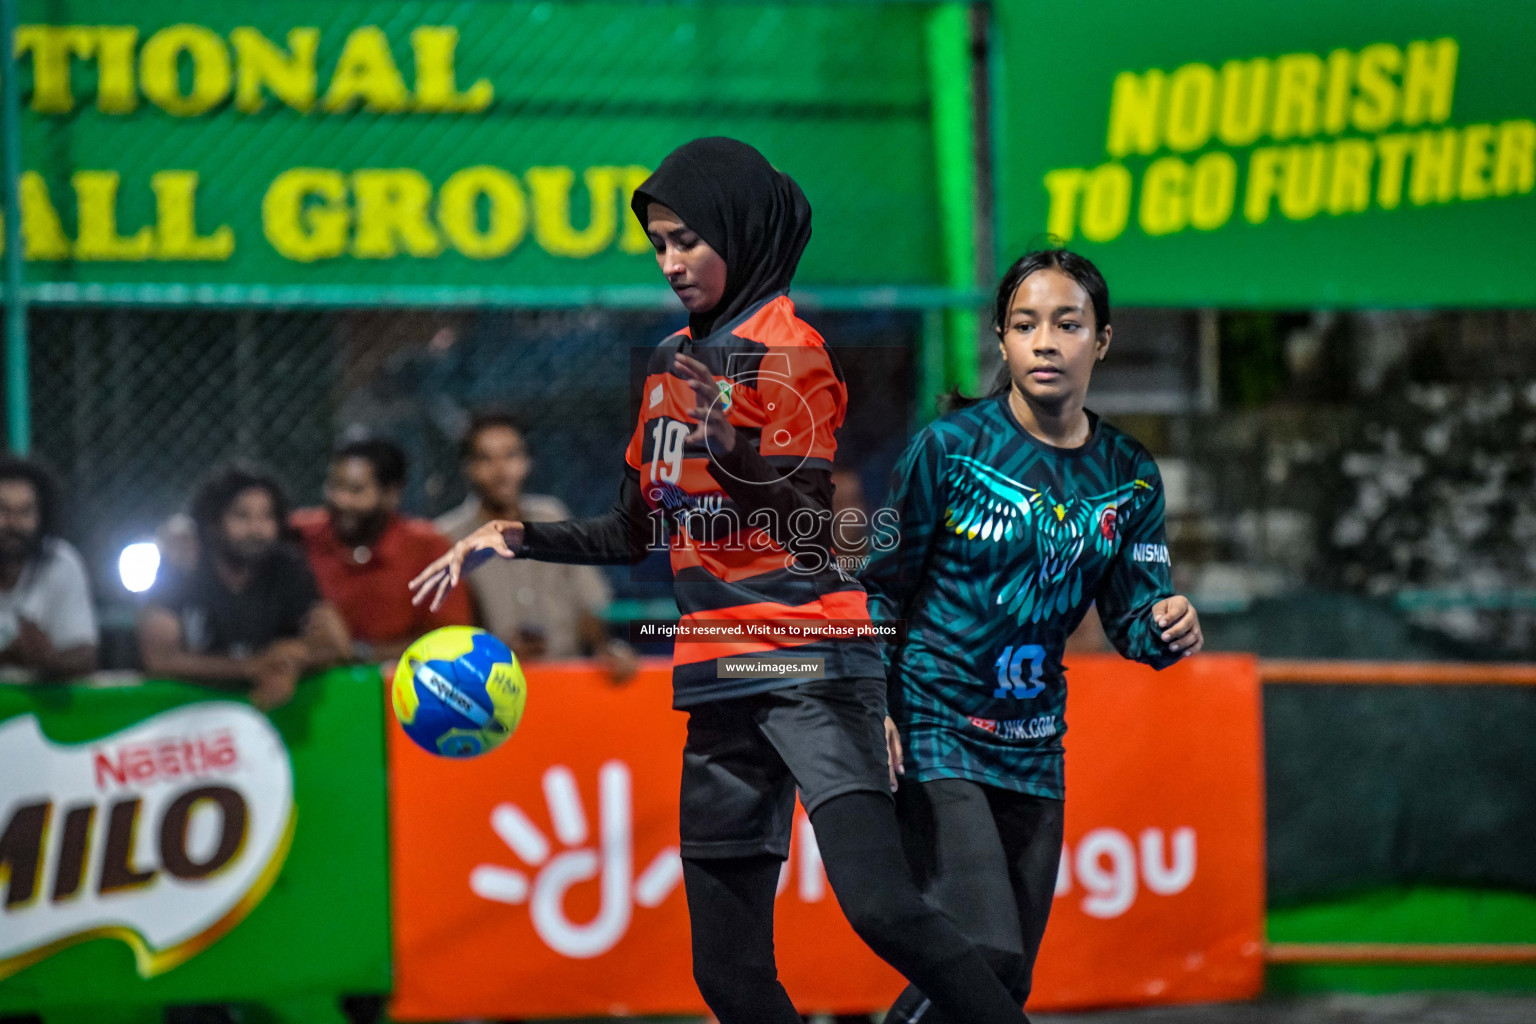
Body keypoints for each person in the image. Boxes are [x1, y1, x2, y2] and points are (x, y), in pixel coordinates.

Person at [411, 137, 1032, 1024]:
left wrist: (735, 446)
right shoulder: (670, 363)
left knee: (884, 911)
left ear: (739, 233)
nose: (671, 262)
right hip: (718, 672)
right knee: (728, 973)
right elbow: (635, 529)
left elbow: (805, 515)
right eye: (659, 243)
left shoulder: (792, 348)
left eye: (688, 240)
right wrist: (509, 536)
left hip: (812, 665)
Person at [860, 249, 1204, 1023]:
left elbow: (1133, 619)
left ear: (1102, 341)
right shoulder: (948, 450)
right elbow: (879, 586)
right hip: (936, 728)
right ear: (1003, 342)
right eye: (1025, 324)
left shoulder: (1130, 474)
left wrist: (1166, 624)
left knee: (1001, 984)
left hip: (1035, 745)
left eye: (1067, 323)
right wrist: (870, 702)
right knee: (983, 952)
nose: (1045, 341)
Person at [435, 412, 636, 679]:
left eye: (511, 455)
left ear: (527, 461)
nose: (501, 470)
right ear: (468, 467)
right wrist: (495, 652)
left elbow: (591, 603)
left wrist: (607, 647)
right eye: (486, 458)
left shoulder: (552, 517)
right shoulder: (446, 537)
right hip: (488, 684)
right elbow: (443, 636)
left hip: (565, 675)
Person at [140, 464, 349, 710]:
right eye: (242, 516)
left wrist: (291, 663)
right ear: (213, 522)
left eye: (267, 517)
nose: (257, 529)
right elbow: (159, 659)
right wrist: (252, 667)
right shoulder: (182, 564)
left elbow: (334, 644)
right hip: (185, 721)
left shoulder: (287, 566)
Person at [293, 438, 471, 662]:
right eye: (335, 486)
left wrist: (356, 652)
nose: (341, 500)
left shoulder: (428, 549)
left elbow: (449, 641)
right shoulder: (301, 536)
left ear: (391, 494)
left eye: (356, 490)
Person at [0, 456, 98, 679]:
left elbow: (85, 656)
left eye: (25, 512)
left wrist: (48, 659)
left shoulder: (60, 562)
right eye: (2, 510)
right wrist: (8, 655)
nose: (13, 522)